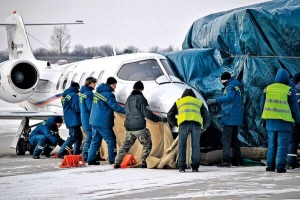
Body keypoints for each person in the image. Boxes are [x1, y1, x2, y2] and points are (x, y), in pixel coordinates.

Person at [114, 81, 167, 169]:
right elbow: (147, 113)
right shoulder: (141, 99)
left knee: (125, 146)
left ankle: (117, 162)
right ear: (142, 89)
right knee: (147, 144)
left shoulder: (128, 99)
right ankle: (144, 162)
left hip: (129, 127)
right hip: (139, 127)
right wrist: (160, 119)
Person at [260, 69, 300, 173]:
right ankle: (280, 167)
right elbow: (294, 109)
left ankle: (270, 166)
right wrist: (298, 120)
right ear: (287, 78)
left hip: (270, 121)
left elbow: (262, 106)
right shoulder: (289, 91)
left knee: (272, 145)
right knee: (283, 145)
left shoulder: (267, 89)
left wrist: (263, 119)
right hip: (284, 122)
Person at [167, 88, 210, 172]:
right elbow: (207, 116)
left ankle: (181, 167)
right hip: (196, 125)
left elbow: (169, 116)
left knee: (182, 145)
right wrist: (205, 126)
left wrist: (177, 123)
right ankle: (195, 167)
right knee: (195, 146)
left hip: (183, 124)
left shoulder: (179, 101)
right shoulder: (198, 102)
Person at [207, 72, 243, 167]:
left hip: (229, 116)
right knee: (234, 139)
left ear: (225, 79)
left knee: (226, 138)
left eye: (222, 80)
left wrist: (216, 101)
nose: (222, 82)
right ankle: (237, 160)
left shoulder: (230, 87)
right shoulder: (236, 86)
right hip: (236, 116)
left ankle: (226, 160)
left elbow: (228, 98)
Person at [88, 77, 126, 165]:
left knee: (95, 140)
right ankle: (113, 159)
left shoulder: (97, 93)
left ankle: (91, 159)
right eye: (113, 85)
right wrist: (128, 110)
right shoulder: (108, 94)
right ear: (109, 85)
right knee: (111, 139)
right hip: (103, 121)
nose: (115, 87)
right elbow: (115, 107)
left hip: (93, 120)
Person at [57, 82, 82, 158]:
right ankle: (61, 153)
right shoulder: (74, 95)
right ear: (76, 88)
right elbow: (77, 108)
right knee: (73, 137)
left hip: (70, 119)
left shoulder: (65, 97)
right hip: (74, 119)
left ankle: (76, 152)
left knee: (79, 137)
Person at [79, 77, 97, 161]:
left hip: (84, 117)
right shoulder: (89, 94)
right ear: (90, 83)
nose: (95, 85)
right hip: (89, 118)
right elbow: (90, 107)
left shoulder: (82, 93)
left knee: (88, 137)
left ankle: (85, 154)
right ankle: (85, 155)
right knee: (89, 137)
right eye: (94, 83)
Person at [287, 82, 300, 169]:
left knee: (293, 142)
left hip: (295, 122)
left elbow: (293, 108)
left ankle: (291, 163)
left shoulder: (293, 92)